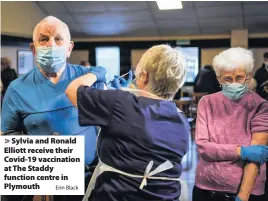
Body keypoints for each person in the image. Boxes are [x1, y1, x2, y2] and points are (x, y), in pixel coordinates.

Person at [66, 45, 190, 201]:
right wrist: (123, 94)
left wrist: (96, 73)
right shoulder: (182, 120)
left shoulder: (120, 102)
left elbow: (72, 90)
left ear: (144, 76)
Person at [1, 16, 105, 201]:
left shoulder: (84, 77)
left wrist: (94, 75)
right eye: (44, 39)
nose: (51, 45)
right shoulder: (17, 89)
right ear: (33, 49)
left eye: (58, 39)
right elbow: (5, 136)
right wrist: (45, 160)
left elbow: (103, 76)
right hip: (46, 185)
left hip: (91, 179)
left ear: (69, 47)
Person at [193, 47, 268, 201]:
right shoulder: (206, 103)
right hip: (206, 188)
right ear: (219, 79)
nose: (234, 83)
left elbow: (256, 157)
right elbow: (204, 148)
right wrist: (241, 151)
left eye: (239, 78)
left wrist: (243, 195)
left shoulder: (261, 106)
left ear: (248, 77)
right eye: (227, 78)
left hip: (247, 192)